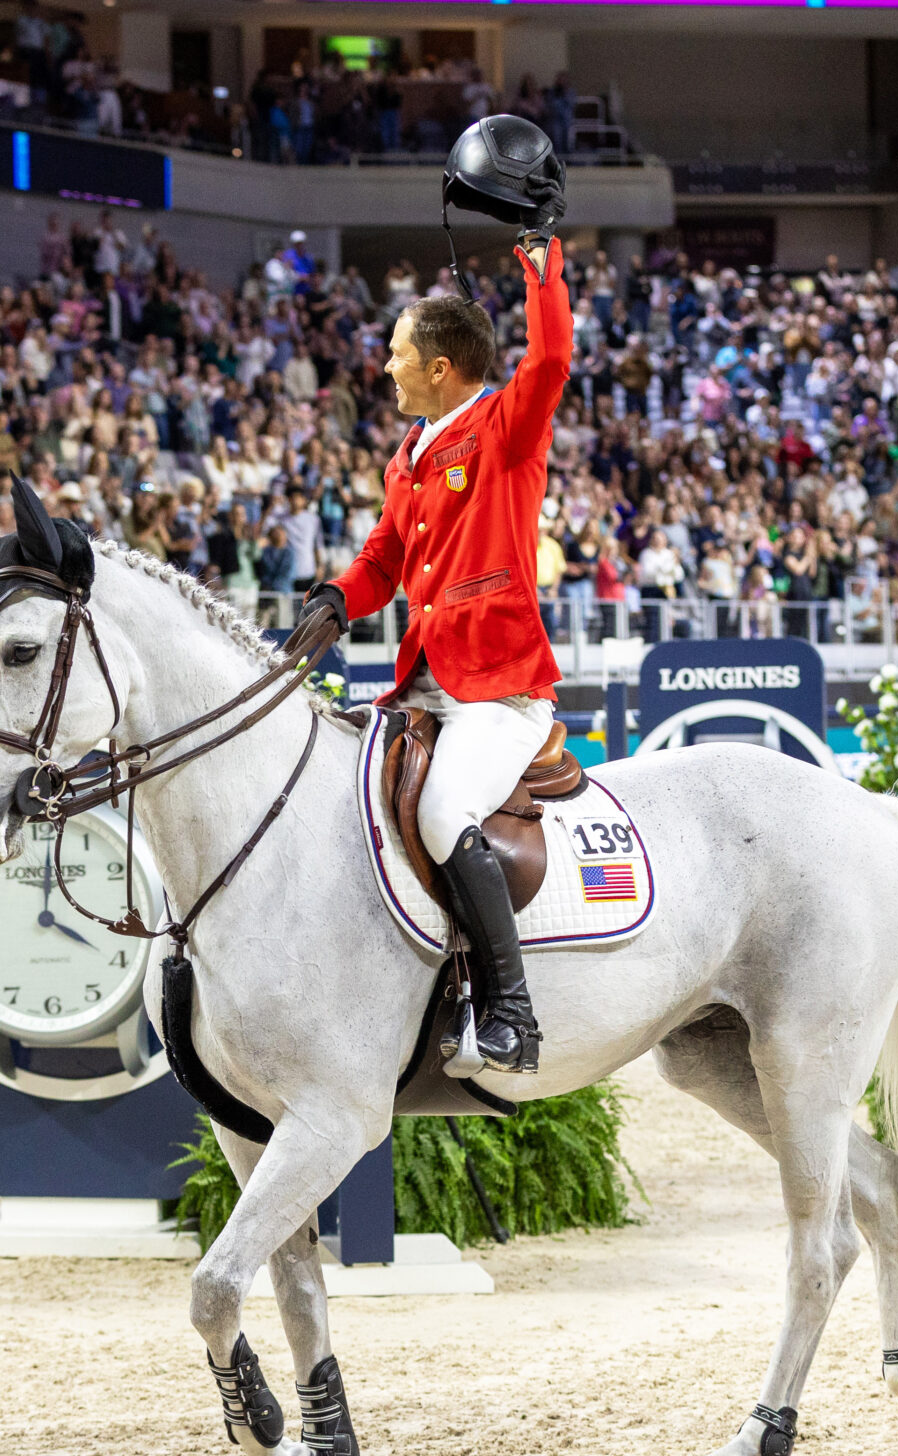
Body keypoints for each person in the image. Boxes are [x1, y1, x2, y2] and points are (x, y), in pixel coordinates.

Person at [305, 152, 568, 1077]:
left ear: (443, 367)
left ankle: (514, 1012)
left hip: (498, 689)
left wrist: (540, 257)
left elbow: (552, 357)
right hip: (421, 679)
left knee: (450, 803)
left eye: (397, 354)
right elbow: (385, 556)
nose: (384, 367)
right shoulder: (410, 452)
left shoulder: (504, 430)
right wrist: (338, 598)